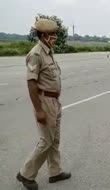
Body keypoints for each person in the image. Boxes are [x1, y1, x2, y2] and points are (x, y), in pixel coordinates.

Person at [17, 18, 71, 190]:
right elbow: (31, 83)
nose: (55, 37)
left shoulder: (48, 51)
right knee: (46, 141)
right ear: (44, 35)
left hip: (54, 101)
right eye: (52, 34)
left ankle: (55, 172)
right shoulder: (36, 54)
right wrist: (39, 110)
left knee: (55, 140)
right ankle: (26, 174)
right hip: (45, 102)